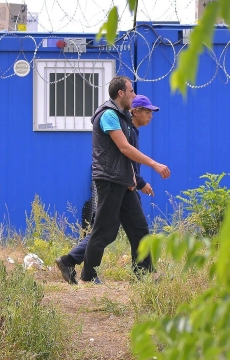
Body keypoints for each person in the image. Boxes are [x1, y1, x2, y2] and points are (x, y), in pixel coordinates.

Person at [56, 94, 162, 284]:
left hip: (125, 184)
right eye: (147, 111)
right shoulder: (113, 119)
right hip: (113, 182)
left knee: (138, 229)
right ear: (135, 111)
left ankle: (143, 274)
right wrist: (141, 177)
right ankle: (86, 274)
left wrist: (136, 181)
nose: (151, 116)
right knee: (105, 231)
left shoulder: (130, 129)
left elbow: (127, 161)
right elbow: (123, 154)